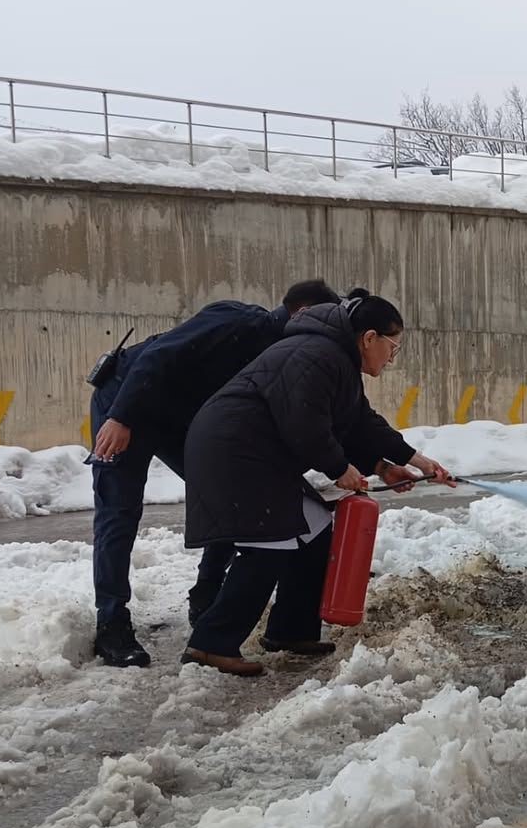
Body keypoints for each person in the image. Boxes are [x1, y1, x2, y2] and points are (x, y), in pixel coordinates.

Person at [181, 288, 453, 676]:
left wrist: (405, 462)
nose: (392, 358)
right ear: (369, 338)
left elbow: (360, 422)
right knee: (268, 545)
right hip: (236, 455)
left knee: (316, 533)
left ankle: (291, 630)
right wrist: (339, 467)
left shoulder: (334, 358)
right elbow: (304, 422)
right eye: (393, 347)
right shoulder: (316, 354)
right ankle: (210, 644)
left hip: (257, 457)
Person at [89, 279, 342, 669]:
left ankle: (206, 594)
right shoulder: (236, 321)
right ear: (303, 314)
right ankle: (111, 624)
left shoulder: (285, 354)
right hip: (128, 397)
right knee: (118, 512)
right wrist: (120, 417)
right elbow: (157, 358)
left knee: (230, 492)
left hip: (177, 414)